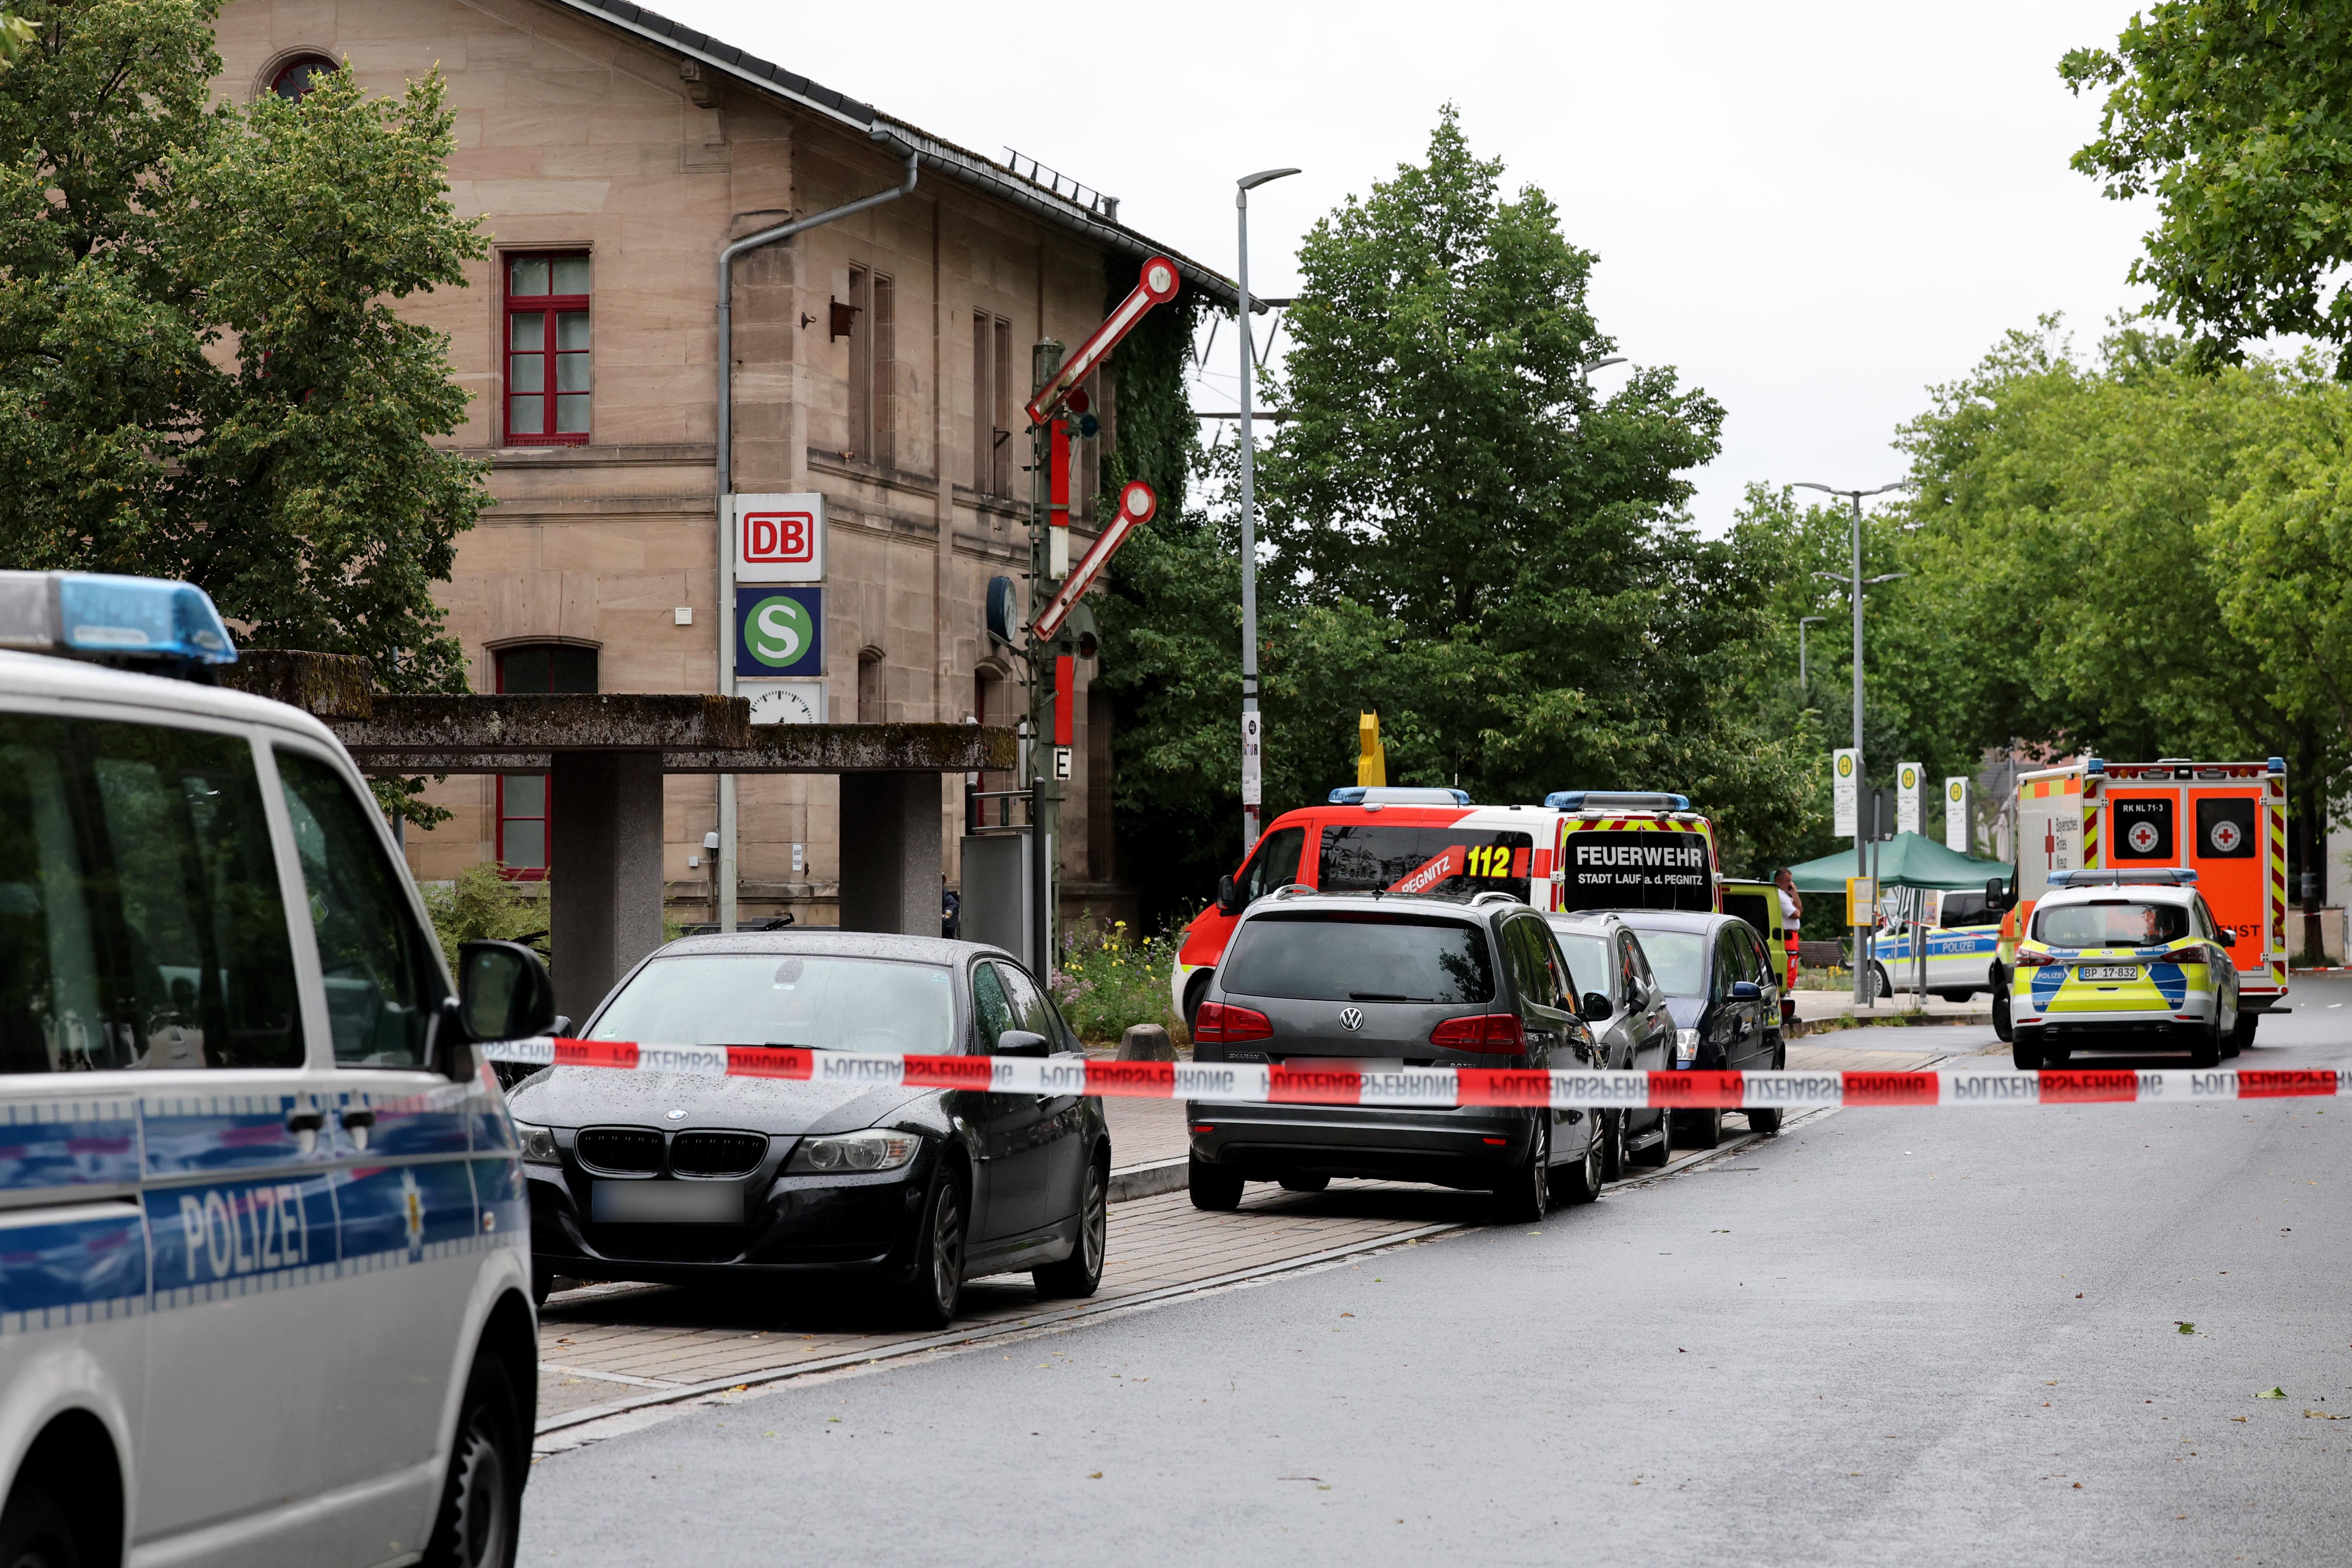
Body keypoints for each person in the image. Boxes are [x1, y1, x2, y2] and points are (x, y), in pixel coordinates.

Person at [1774, 868, 1804, 991]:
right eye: (1787, 881)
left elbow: (1800, 909)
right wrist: (1796, 909)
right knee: (1789, 968)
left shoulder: (1786, 895)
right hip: (1787, 937)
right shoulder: (1780, 897)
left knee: (1792, 968)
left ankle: (1787, 991)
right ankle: (1786, 992)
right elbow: (1796, 914)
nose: (1790, 884)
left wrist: (1795, 893)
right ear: (1778, 881)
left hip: (1792, 938)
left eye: (1791, 881)